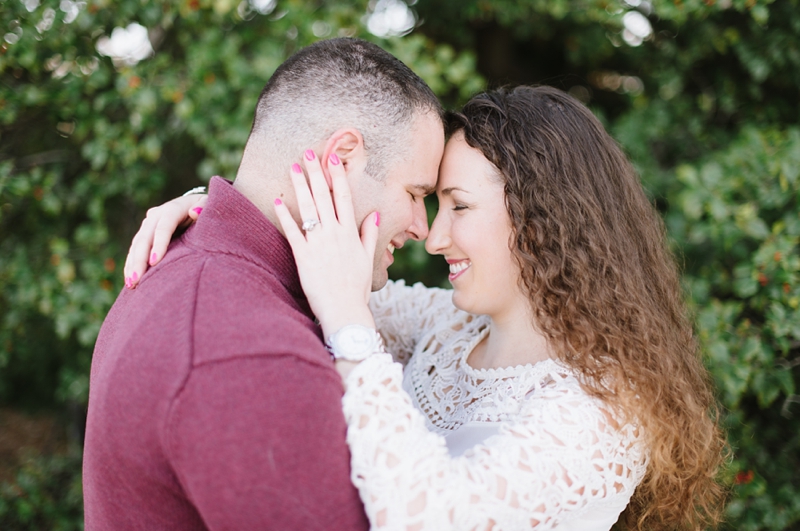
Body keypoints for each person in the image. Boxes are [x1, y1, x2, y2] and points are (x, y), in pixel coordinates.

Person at [128, 86, 727, 529]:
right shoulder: (447, 328)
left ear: (547, 220)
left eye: (458, 207)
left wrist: (352, 332)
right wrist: (218, 210)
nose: (434, 238)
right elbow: (313, 279)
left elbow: (432, 516)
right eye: (431, 204)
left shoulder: (605, 412)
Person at [83, 37, 444, 530]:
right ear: (340, 157)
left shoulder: (186, 267)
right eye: (416, 193)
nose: (424, 228)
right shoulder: (253, 352)